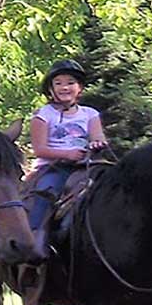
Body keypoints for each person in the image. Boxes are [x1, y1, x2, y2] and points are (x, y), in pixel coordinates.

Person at [25, 60, 107, 250]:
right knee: (45, 195)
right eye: (58, 83)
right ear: (51, 89)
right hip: (54, 167)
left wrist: (97, 143)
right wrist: (67, 154)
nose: (64, 87)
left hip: (87, 166)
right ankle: (34, 240)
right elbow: (39, 149)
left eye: (70, 82)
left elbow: (97, 136)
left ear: (79, 88)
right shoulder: (43, 114)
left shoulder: (90, 114)